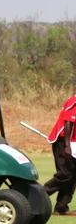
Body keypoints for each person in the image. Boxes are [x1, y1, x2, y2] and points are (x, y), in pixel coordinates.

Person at [43, 86, 76, 215]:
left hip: (72, 143)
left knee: (73, 175)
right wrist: (67, 146)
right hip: (63, 142)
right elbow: (68, 123)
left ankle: (61, 207)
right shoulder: (74, 101)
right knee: (65, 174)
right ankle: (39, 194)